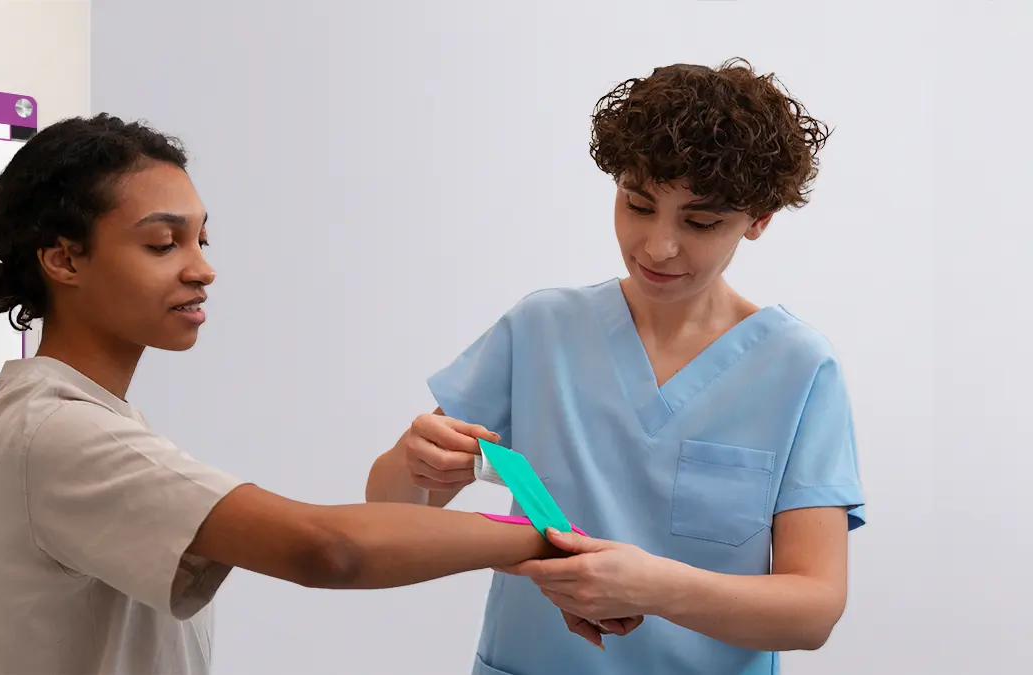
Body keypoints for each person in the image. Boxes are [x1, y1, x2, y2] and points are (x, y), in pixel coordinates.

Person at [0, 114, 571, 675]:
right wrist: (548, 542)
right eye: (163, 244)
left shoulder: (81, 416)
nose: (202, 269)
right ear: (64, 260)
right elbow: (326, 548)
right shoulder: (60, 432)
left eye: (202, 240)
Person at [365, 58, 866, 674]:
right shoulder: (541, 330)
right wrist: (418, 465)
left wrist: (654, 587)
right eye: (638, 204)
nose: (658, 246)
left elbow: (813, 611)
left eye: (701, 221)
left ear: (758, 219)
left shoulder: (799, 369)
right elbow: (391, 515)